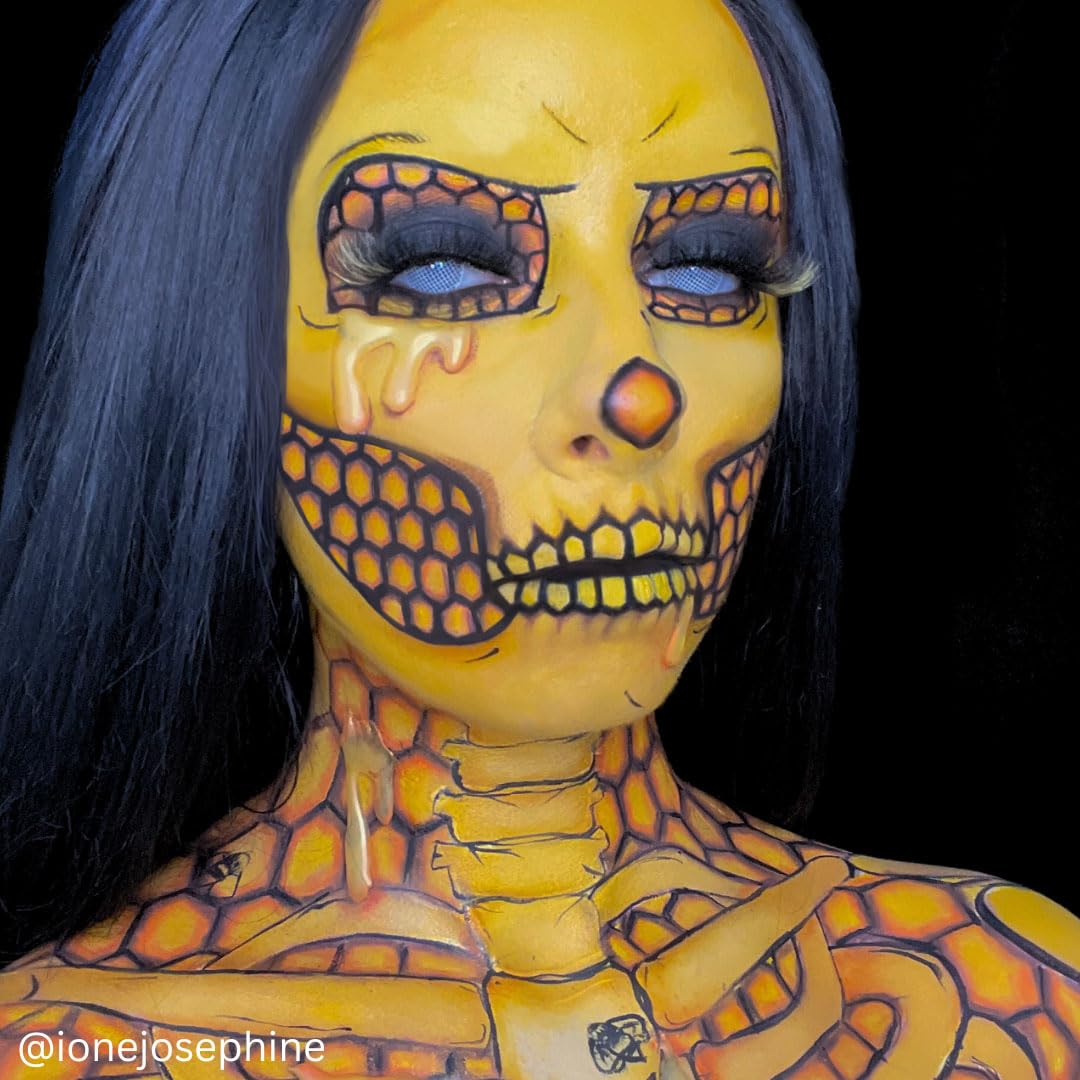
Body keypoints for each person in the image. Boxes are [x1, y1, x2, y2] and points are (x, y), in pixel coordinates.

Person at [1, 0, 1076, 1077]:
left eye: (711, 270)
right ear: (208, 335)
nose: (635, 394)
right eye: (439, 266)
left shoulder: (1018, 996)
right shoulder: (62, 1046)